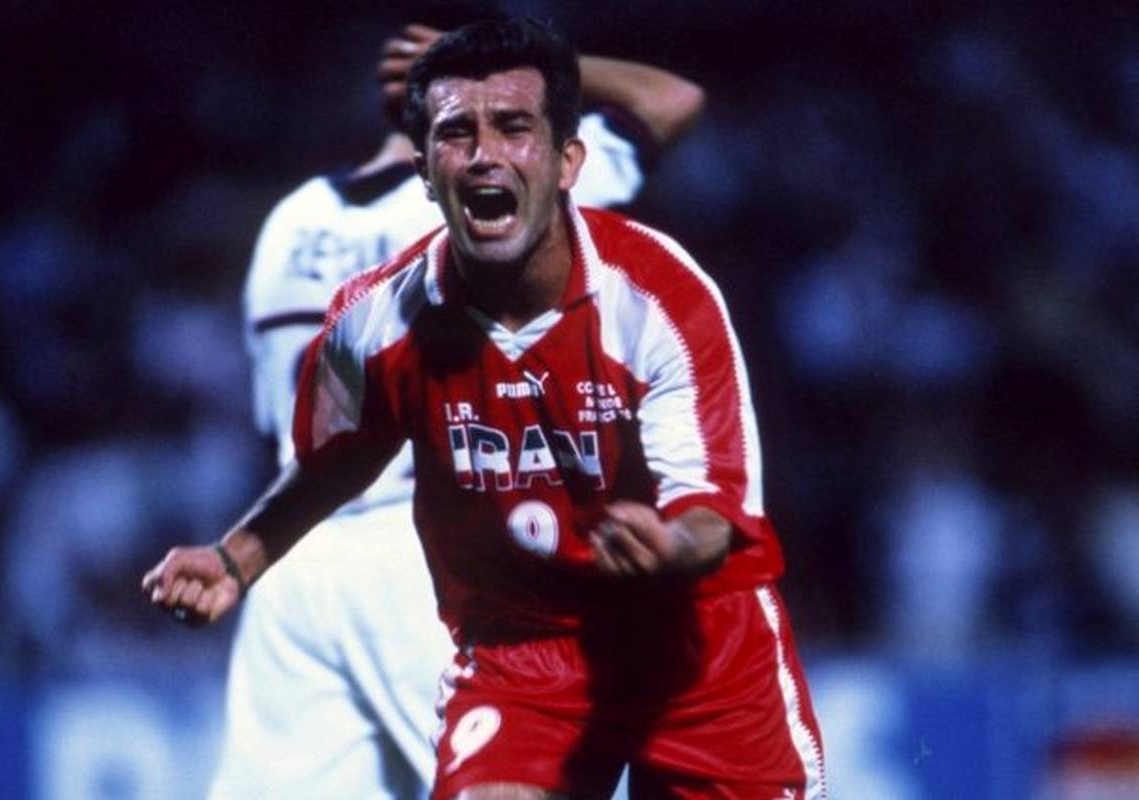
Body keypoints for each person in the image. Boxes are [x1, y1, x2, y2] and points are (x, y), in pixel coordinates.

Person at [145, 16, 826, 799]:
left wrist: (669, 547)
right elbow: (334, 462)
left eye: (513, 128)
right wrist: (236, 558)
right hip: (524, 651)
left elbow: (713, 511)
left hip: (694, 642)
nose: (484, 155)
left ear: (569, 161)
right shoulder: (372, 319)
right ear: (424, 171)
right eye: (456, 134)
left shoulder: (659, 297)